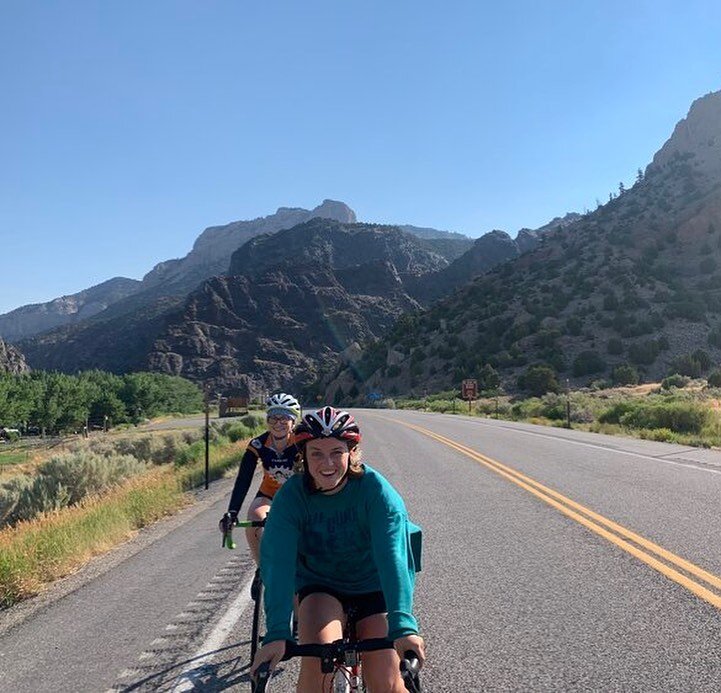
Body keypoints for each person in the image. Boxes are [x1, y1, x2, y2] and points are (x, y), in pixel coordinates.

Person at [251, 406, 425, 692]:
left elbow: (392, 555)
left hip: (372, 585)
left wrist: (403, 626)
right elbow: (278, 564)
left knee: (387, 684)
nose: (327, 463)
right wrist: (277, 633)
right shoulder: (291, 497)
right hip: (321, 585)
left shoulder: (377, 492)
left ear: (351, 453)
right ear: (303, 456)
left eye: (336, 452)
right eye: (316, 453)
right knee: (316, 672)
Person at [219, 392, 301, 562]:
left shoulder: (303, 442)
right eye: (273, 418)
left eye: (284, 418)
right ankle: (261, 569)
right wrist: (232, 513)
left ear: (293, 421)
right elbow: (243, 479)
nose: (278, 423)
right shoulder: (258, 444)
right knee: (256, 520)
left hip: (299, 496)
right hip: (269, 495)